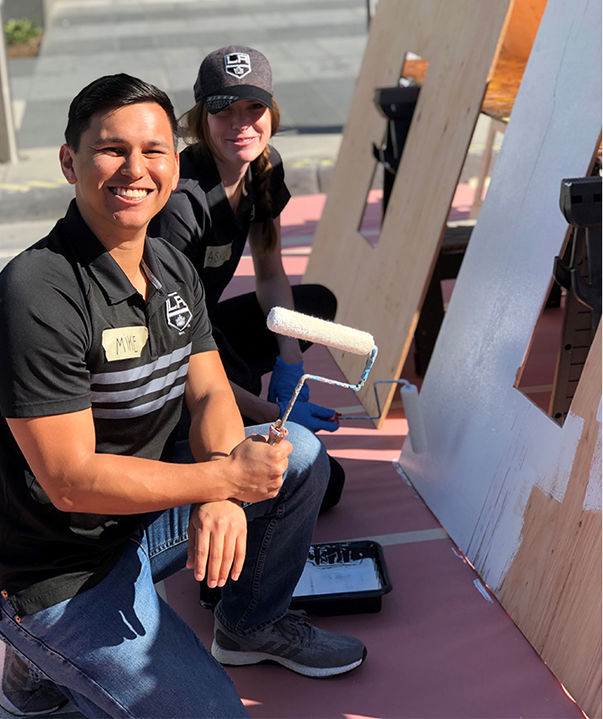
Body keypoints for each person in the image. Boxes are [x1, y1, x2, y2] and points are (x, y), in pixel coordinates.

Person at [0, 74, 365, 718]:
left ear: (175, 160)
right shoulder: (36, 290)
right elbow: (69, 481)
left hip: (136, 524)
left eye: (154, 151)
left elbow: (207, 396)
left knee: (298, 456)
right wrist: (215, 480)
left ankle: (248, 626)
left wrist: (225, 488)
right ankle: (34, 662)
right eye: (112, 150)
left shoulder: (169, 267)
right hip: (57, 568)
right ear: (68, 162)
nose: (135, 170)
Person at [149, 46, 345, 512]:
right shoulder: (182, 203)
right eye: (223, 109)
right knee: (325, 482)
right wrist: (273, 414)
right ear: (201, 118)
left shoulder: (263, 165)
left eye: (253, 107)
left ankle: (239, 401)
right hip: (164, 353)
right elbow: (173, 348)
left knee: (314, 305)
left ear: (270, 111)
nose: (242, 123)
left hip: (200, 326)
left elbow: (272, 274)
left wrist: (290, 367)